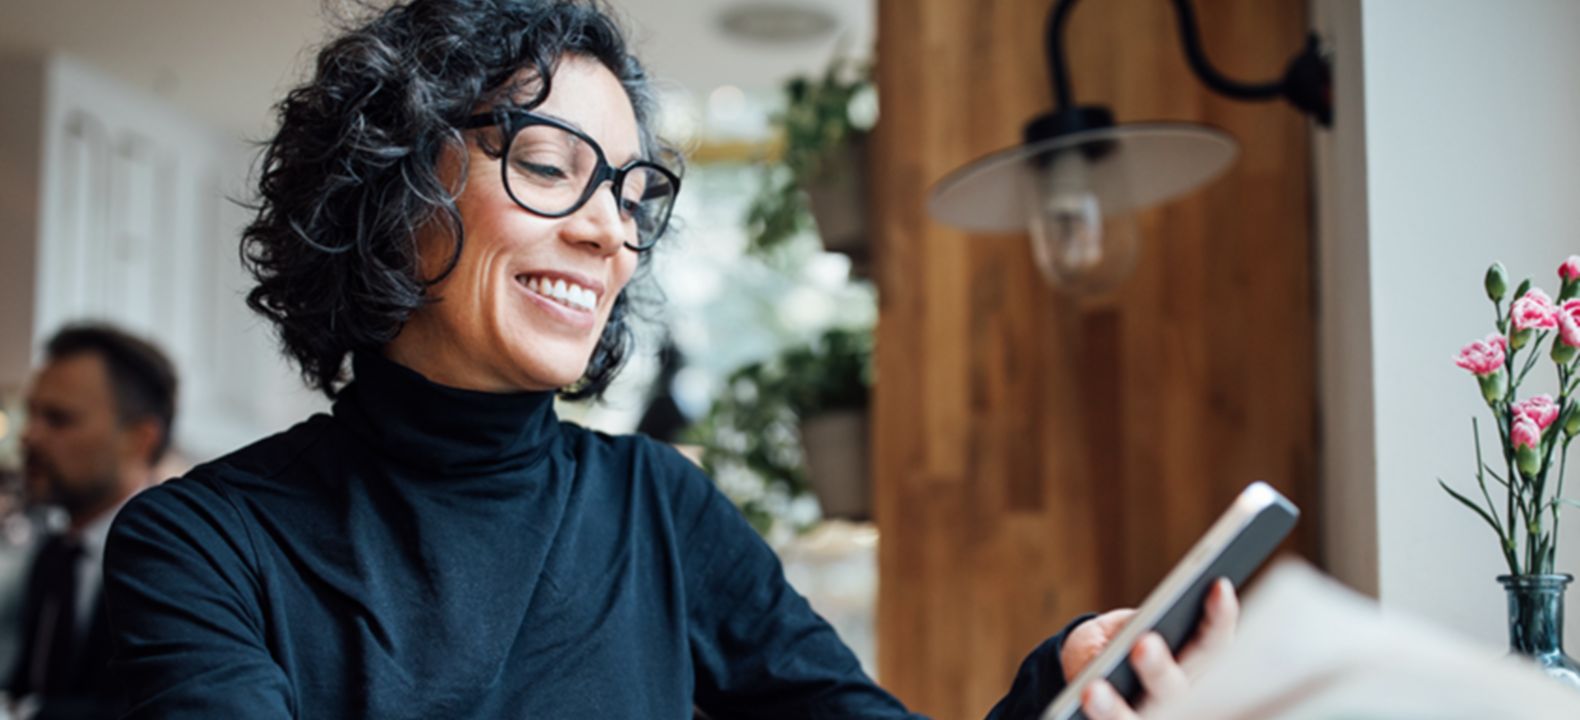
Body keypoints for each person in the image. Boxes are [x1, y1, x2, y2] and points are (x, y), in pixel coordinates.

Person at [102, 1, 1236, 718]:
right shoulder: (201, 546)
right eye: (549, 165)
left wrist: (1065, 685)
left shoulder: (662, 510)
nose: (608, 231)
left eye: (631, 192)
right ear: (394, 192)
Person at [14, 324, 177, 719]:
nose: (29, 436)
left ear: (140, 439)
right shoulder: (55, 554)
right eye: (31, 413)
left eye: (58, 419)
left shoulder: (177, 564)